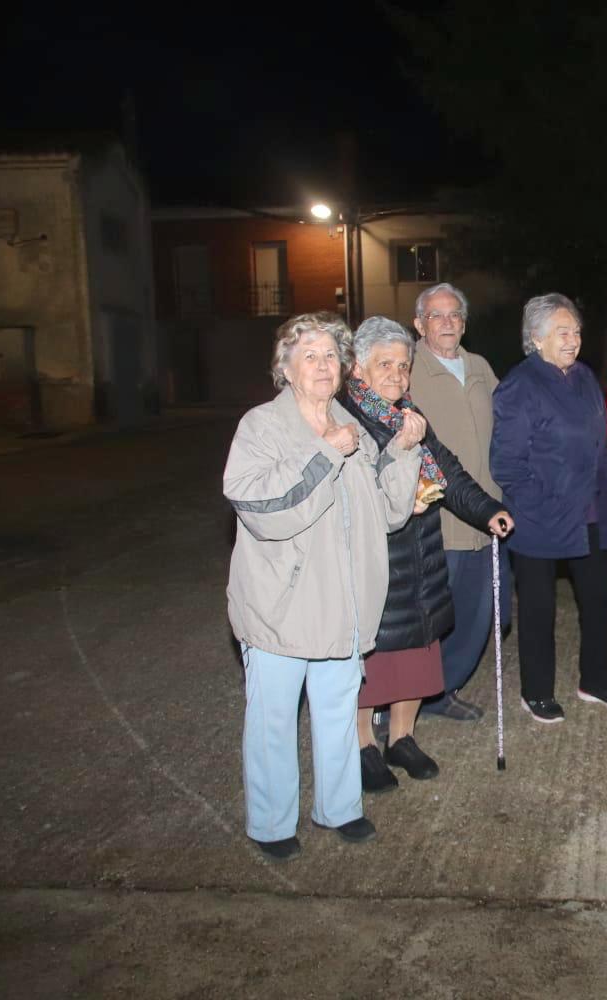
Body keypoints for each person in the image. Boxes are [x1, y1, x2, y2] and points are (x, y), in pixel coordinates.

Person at [223, 311, 425, 861]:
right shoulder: (261, 427)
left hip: (344, 604)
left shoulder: (353, 426)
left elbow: (386, 514)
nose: (321, 365)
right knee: (272, 723)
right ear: (285, 368)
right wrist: (324, 453)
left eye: (331, 356)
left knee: (338, 715)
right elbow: (262, 508)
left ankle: (340, 808)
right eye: (308, 355)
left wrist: (403, 453)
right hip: (280, 607)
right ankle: (271, 823)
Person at [340, 316, 513, 792]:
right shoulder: (345, 421)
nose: (397, 375)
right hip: (377, 562)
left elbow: (449, 472)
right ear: (358, 368)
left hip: (422, 554)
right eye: (385, 365)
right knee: (372, 655)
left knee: (417, 650)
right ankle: (361, 746)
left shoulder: (410, 415)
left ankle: (403, 737)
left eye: (402, 365)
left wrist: (487, 510)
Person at [491, 294, 607, 722]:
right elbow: (507, 464)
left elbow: (600, 443)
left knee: (598, 599)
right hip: (539, 518)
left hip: (589, 512)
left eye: (575, 331)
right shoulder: (520, 385)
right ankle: (536, 692)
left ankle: (597, 680)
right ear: (535, 339)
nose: (573, 340)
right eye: (562, 332)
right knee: (538, 608)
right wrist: (543, 502)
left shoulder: (586, 378)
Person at [410, 283, 508, 721]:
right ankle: (409, 696)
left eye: (454, 315)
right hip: (435, 518)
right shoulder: (406, 368)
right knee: (429, 618)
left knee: (478, 613)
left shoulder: (480, 366)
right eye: (436, 315)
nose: (446, 323)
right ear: (419, 324)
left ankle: (443, 690)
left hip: (485, 512)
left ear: (464, 324)